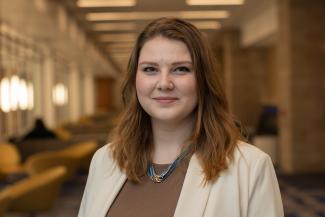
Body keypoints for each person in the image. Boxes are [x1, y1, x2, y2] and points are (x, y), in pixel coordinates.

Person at [78, 17, 284, 217]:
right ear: (134, 81)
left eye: (181, 69)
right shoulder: (105, 160)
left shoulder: (250, 166)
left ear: (204, 80)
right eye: (150, 69)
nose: (164, 83)